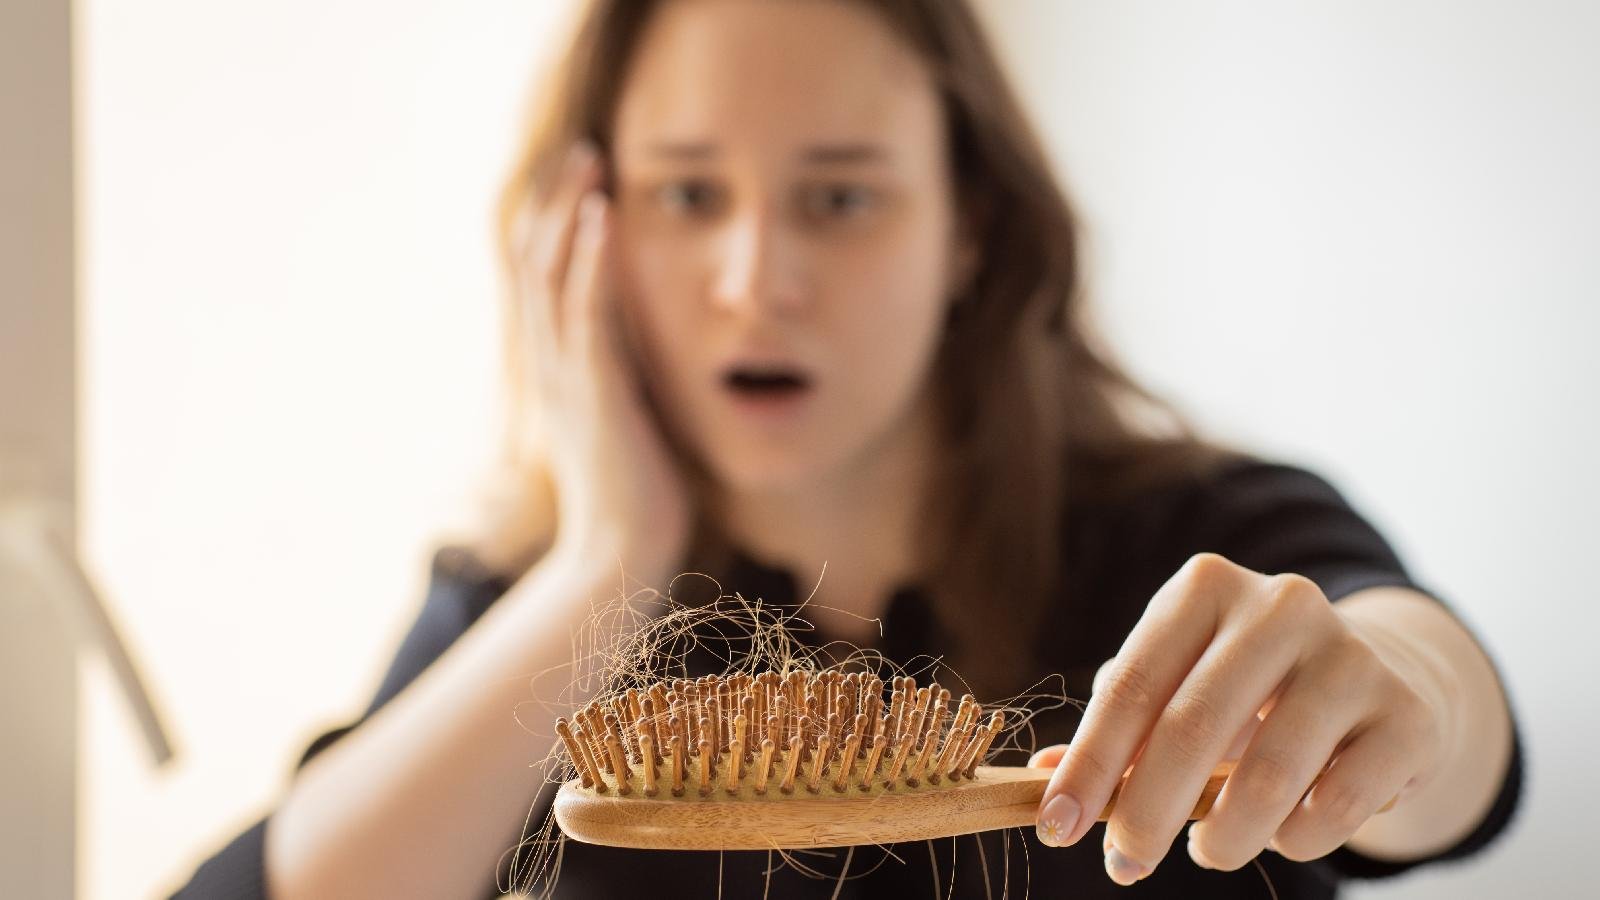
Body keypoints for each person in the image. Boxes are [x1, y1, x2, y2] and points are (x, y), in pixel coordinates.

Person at [173, 0, 1522, 897]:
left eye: (841, 196)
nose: (757, 278)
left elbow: (1442, 740)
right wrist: (606, 556)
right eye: (688, 193)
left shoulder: (1204, 536)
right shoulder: (519, 603)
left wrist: (1410, 697)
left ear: (969, 227)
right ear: (587, 235)